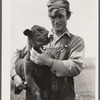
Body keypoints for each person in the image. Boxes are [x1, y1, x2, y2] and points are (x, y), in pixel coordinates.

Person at [11, 0, 85, 100]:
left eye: (61, 16)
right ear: (49, 17)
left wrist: (49, 62)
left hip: (63, 96)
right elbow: (16, 53)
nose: (57, 21)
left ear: (68, 16)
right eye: (53, 17)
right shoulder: (40, 37)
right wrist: (14, 75)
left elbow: (75, 66)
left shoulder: (76, 41)